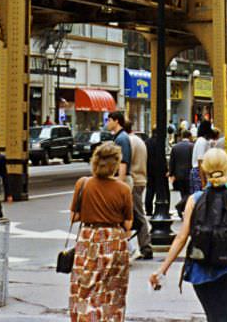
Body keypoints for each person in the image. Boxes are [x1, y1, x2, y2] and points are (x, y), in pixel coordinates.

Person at [149, 148, 227, 322]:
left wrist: (162, 270)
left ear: (204, 170)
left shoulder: (194, 200)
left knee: (213, 316)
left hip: (199, 269)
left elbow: (181, 238)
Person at [69, 142, 133, 322]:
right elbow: (128, 224)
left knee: (85, 288)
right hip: (114, 240)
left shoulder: (83, 184)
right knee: (113, 291)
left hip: (88, 239)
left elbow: (74, 216)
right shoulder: (123, 189)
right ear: (115, 164)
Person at [124, 120, 153, 259]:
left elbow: (125, 162)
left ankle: (145, 246)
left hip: (134, 181)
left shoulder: (127, 141)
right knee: (136, 213)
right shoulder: (139, 140)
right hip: (140, 179)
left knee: (137, 214)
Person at [169, 128, 193, 218]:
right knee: (189, 193)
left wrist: (171, 173)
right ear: (189, 136)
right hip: (189, 173)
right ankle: (181, 206)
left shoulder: (175, 147)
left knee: (183, 193)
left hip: (178, 174)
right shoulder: (192, 146)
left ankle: (183, 208)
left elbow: (172, 161)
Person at [106, 111, 132, 183]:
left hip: (122, 178)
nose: (107, 123)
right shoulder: (119, 137)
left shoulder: (121, 138)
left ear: (116, 121)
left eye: (109, 120)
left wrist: (120, 182)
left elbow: (123, 162)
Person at [191, 120, 214, 191]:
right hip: (200, 172)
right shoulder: (202, 142)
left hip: (198, 172)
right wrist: (203, 181)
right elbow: (200, 162)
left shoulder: (200, 141)